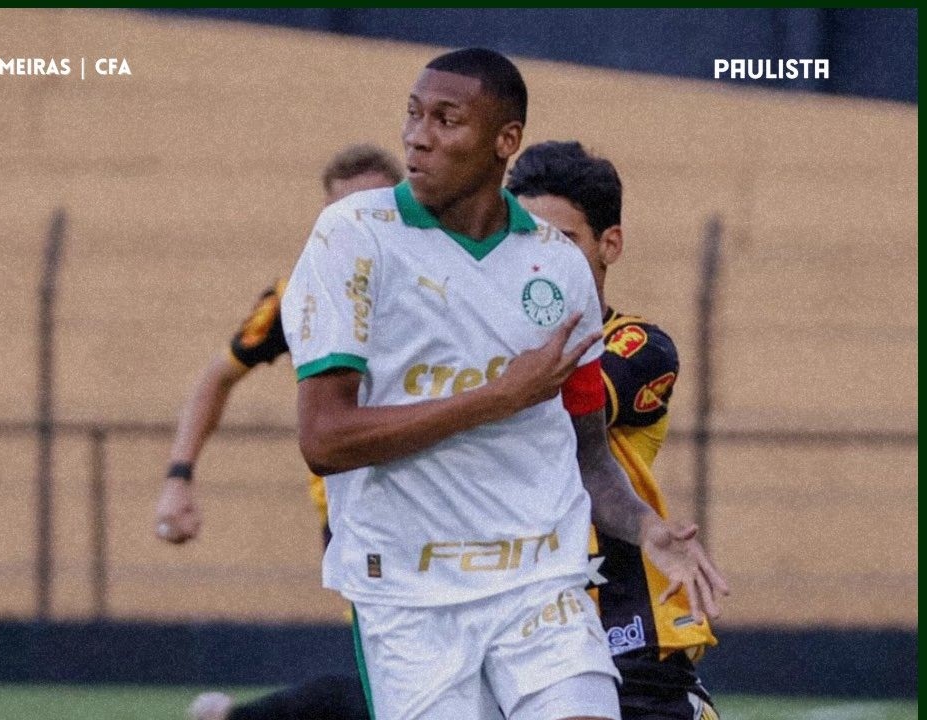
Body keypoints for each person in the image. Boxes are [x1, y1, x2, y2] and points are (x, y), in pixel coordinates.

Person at [277, 47, 728, 720]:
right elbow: (325, 438)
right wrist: (497, 397)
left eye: (446, 119)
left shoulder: (556, 264)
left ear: (504, 140)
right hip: (409, 595)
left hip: (541, 583)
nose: (417, 136)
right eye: (413, 115)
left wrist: (645, 526)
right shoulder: (353, 238)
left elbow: (588, 455)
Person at [507, 141, 720, 720]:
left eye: (564, 241)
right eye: (525, 239)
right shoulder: (488, 347)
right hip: (521, 629)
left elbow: (550, 403)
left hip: (633, 640)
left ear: (610, 244)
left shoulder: (640, 347)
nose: (541, 259)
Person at [154, 143, 404, 547]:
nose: (361, 227)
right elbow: (216, 379)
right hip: (351, 518)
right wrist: (178, 477)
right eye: (346, 214)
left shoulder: (437, 285)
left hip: (439, 500)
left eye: (376, 213)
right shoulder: (297, 298)